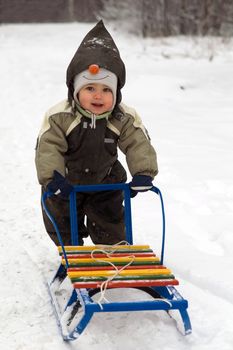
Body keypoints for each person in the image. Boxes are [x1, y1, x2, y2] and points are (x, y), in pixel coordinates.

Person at [35, 20, 158, 246]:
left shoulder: (122, 117)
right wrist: (53, 178)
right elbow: (48, 147)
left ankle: (112, 250)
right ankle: (70, 251)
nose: (98, 96)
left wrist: (143, 173)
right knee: (61, 219)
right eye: (90, 88)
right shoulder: (60, 117)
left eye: (106, 90)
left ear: (116, 93)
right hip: (67, 183)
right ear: (75, 90)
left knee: (109, 221)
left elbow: (137, 142)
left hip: (106, 180)